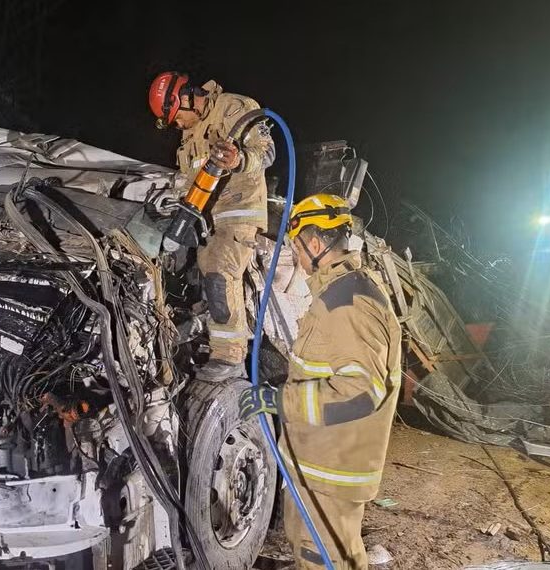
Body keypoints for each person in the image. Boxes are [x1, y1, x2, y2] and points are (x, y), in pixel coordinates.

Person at [238, 194, 402, 569]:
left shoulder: (348, 305)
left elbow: (361, 393)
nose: (295, 256)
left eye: (295, 247)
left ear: (314, 244)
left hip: (333, 472)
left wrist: (280, 400)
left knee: (324, 559)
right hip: (318, 466)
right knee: (313, 554)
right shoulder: (337, 292)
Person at [148, 71, 275, 382]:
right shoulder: (188, 138)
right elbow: (188, 182)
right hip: (205, 220)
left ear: (186, 99)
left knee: (220, 271)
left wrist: (239, 159)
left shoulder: (234, 108)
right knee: (183, 275)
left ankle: (230, 356)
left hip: (238, 212)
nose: (177, 126)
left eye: (176, 118)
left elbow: (267, 153)